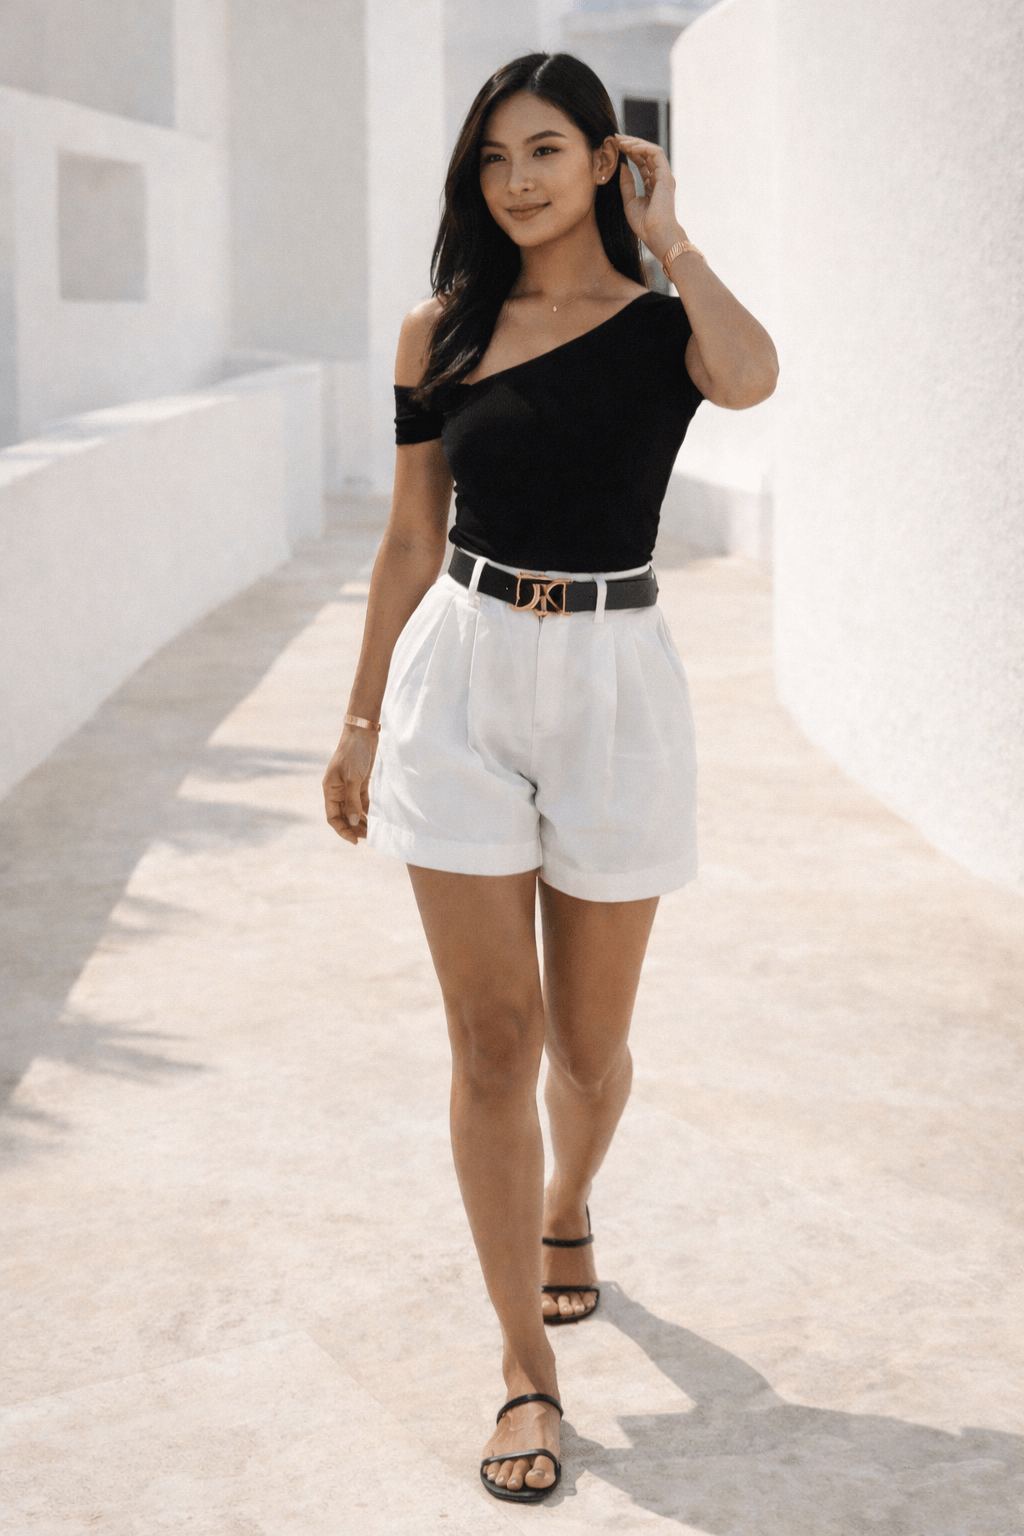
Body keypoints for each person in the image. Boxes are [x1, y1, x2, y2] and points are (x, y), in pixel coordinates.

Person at [322, 51, 777, 1505]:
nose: (516, 180)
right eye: (494, 158)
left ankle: (570, 1199)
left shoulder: (662, 326)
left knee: (586, 1049)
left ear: (605, 161)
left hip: (615, 681)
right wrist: (360, 718)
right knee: (491, 1042)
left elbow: (753, 379)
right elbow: (410, 536)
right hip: (460, 676)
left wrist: (676, 240)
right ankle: (527, 1367)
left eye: (545, 151)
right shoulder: (439, 332)